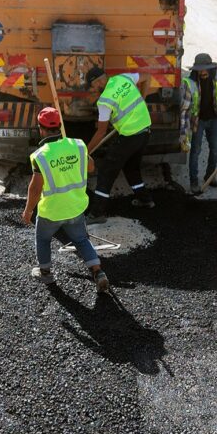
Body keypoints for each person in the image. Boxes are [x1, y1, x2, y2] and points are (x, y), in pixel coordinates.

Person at [23, 107, 109, 291]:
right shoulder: (78, 145)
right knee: (81, 240)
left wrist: (28, 210)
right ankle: (98, 272)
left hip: (51, 211)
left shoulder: (40, 156)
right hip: (75, 207)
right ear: (60, 126)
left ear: (41, 129)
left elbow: (35, 188)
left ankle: (45, 273)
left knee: (43, 239)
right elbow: (91, 167)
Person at [85, 67, 154, 223]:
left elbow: (101, 132)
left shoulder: (104, 101)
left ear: (97, 82)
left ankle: (97, 213)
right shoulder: (124, 78)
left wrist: (85, 151)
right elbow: (147, 76)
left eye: (93, 86)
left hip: (130, 136)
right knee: (131, 167)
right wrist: (143, 98)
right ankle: (145, 199)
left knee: (106, 170)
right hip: (145, 130)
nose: (93, 89)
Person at [183, 53, 217, 195]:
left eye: (205, 69)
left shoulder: (216, 76)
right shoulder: (190, 83)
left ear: (210, 68)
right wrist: (183, 134)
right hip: (198, 121)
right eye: (200, 70)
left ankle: (210, 176)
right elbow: (184, 109)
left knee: (215, 149)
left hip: (214, 118)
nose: (202, 72)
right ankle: (194, 181)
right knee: (195, 151)